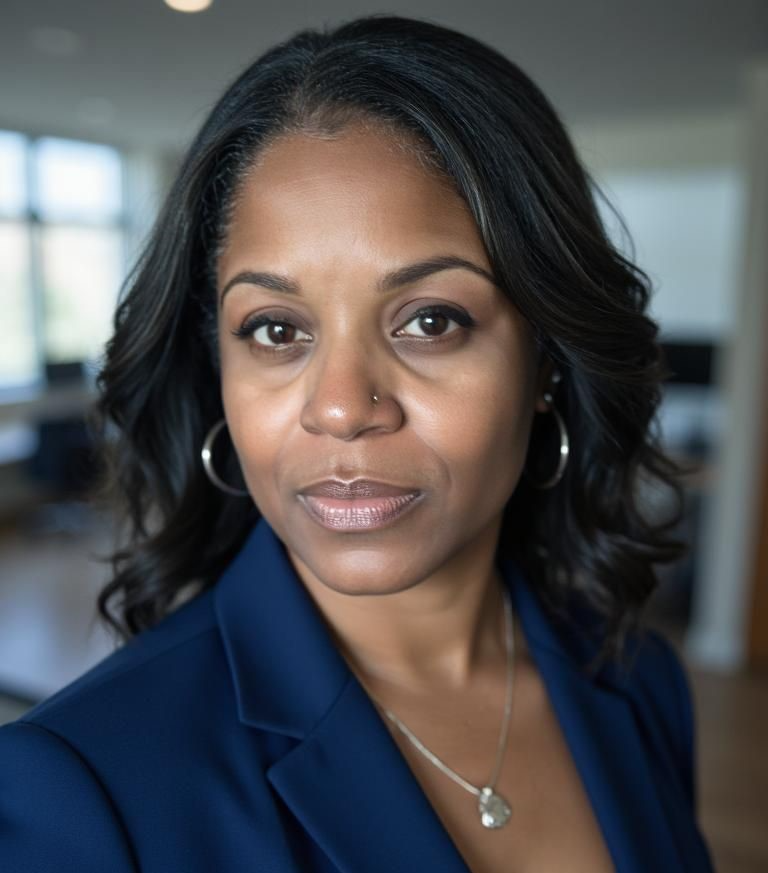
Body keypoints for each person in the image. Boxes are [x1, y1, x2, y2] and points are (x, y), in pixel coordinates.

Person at [0, 14, 716, 873]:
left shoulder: (641, 681)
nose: (341, 408)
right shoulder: (78, 789)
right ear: (218, 369)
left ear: (546, 362)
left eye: (430, 320)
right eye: (275, 329)